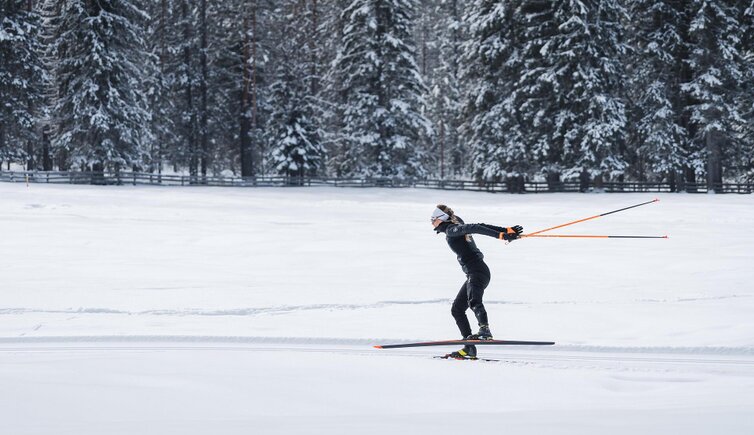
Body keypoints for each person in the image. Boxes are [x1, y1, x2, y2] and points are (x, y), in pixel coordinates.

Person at [431, 204, 523, 359]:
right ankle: (469, 348)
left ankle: (485, 330)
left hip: (477, 271)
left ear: (441, 219)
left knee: (474, 300)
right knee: (457, 309)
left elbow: (476, 227)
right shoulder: (456, 224)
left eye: (433, 219)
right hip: (475, 272)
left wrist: (501, 235)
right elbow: (478, 226)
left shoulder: (452, 230)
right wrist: (505, 230)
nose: (431, 222)